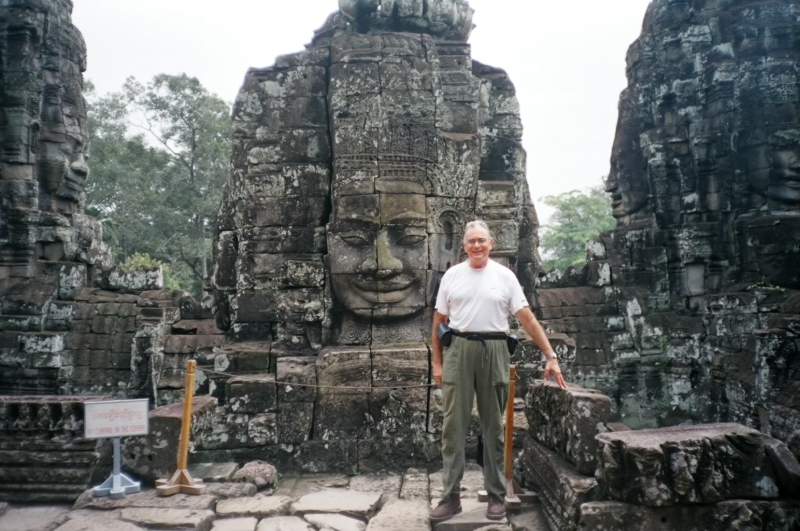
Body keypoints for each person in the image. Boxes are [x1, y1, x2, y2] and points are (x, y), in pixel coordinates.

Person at [430, 220, 567, 522]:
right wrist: (438, 363)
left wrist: (550, 354)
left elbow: (527, 318)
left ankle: (495, 494)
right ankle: (450, 497)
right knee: (453, 427)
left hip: (494, 350)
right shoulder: (452, 275)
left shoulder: (504, 277)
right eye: (470, 241)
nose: (476, 246)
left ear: (491, 243)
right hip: (459, 350)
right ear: (463, 246)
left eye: (482, 240)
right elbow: (439, 321)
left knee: (494, 426)